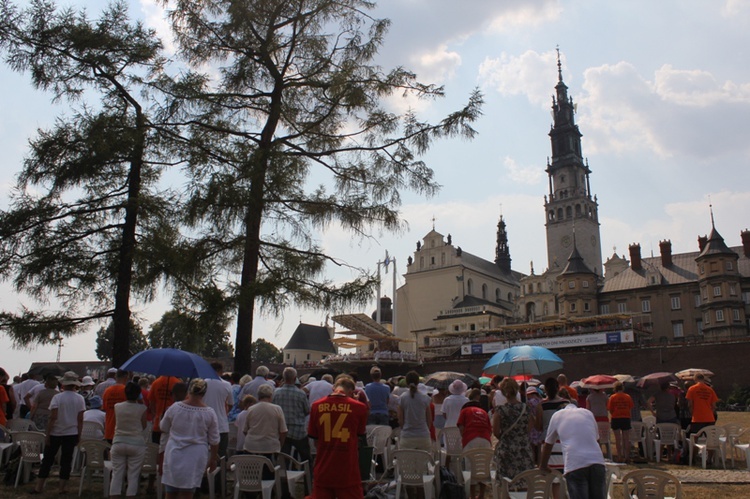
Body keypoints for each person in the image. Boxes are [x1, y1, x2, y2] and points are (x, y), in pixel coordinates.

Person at [308, 374, 368, 499]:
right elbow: (359, 435)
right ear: (351, 392)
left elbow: (315, 440)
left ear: (333, 388)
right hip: (347, 469)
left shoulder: (316, 406)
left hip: (323, 466)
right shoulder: (359, 407)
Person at [160, 378, 219, 499]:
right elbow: (214, 440)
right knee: (187, 493)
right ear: (203, 393)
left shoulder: (175, 407)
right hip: (195, 455)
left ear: (189, 390)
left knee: (170, 491)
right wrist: (213, 459)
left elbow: (163, 427)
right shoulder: (209, 413)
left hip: (174, 451)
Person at [34, 371, 86, 494]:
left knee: (48, 459)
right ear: (75, 385)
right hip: (71, 432)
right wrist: (79, 435)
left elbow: (53, 417)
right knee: (66, 460)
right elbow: (80, 419)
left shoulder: (57, 397)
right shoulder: (80, 399)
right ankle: (62, 487)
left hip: (56, 432)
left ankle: (39, 486)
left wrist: (48, 433)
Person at [540, 404, 607, 499]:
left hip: (575, 464)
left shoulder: (557, 415)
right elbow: (597, 440)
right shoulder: (588, 413)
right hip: (597, 461)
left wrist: (543, 466)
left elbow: (548, 444)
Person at [492, 378, 536, 481]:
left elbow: (496, 432)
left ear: (503, 392)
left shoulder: (500, 410)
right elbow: (529, 428)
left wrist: (506, 437)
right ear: (516, 390)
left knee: (506, 483)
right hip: (524, 448)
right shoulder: (526, 408)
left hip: (506, 449)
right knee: (525, 481)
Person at [109, 381, 148, 498]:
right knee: (133, 475)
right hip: (136, 443)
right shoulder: (142, 408)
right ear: (139, 394)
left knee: (116, 474)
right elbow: (144, 425)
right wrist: (141, 401)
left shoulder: (117, 406)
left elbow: (116, 421)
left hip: (118, 441)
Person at [457, 388, 492, 499]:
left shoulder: (464, 411)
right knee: (483, 466)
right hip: (485, 440)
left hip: (471, 439)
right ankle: (481, 494)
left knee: (470, 467)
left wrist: (465, 438)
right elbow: (489, 430)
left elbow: (461, 427)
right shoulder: (484, 412)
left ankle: (472, 495)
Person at [272, 367, 310, 464]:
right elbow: (307, 410)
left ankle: (285, 475)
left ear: (284, 378)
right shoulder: (301, 394)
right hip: (298, 431)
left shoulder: (276, 393)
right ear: (295, 378)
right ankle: (308, 475)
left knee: (284, 456)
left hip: (281, 431)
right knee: (306, 457)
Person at [242, 384, 287, 464]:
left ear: (258, 396)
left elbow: (245, 430)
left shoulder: (251, 409)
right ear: (271, 395)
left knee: (252, 474)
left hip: (251, 447)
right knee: (269, 474)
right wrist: (280, 444)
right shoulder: (277, 409)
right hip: (270, 447)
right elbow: (283, 431)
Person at [203, 362, 233, 458]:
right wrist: (225, 412)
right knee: (220, 455)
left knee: (204, 452)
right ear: (220, 371)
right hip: (221, 424)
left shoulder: (203, 383)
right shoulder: (227, 385)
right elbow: (231, 404)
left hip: (204, 423)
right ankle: (219, 471)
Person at [540, 377, 570, 472]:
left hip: (547, 442)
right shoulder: (566, 403)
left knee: (551, 478)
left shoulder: (541, 405)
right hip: (563, 440)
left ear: (545, 389)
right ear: (558, 388)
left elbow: (539, 426)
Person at [397, 371, 432, 451]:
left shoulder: (402, 398)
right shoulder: (425, 398)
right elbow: (429, 420)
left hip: (407, 436)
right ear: (418, 382)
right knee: (424, 461)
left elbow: (400, 421)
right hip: (423, 436)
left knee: (406, 462)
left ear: (406, 382)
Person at [149, 374, 182, 445]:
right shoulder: (178, 383)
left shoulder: (156, 383)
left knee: (155, 451)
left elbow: (151, 403)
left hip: (157, 423)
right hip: (173, 426)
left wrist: (156, 415)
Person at [607, 381, 633, 463]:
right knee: (626, 438)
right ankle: (627, 456)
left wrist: (614, 413)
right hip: (626, 417)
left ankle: (619, 456)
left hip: (616, 418)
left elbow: (610, 409)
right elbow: (630, 407)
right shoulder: (627, 396)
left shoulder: (613, 397)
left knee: (618, 439)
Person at [103, 370, 130, 443]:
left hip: (109, 429)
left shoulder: (107, 391)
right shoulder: (126, 390)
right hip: (123, 430)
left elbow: (105, 408)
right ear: (126, 377)